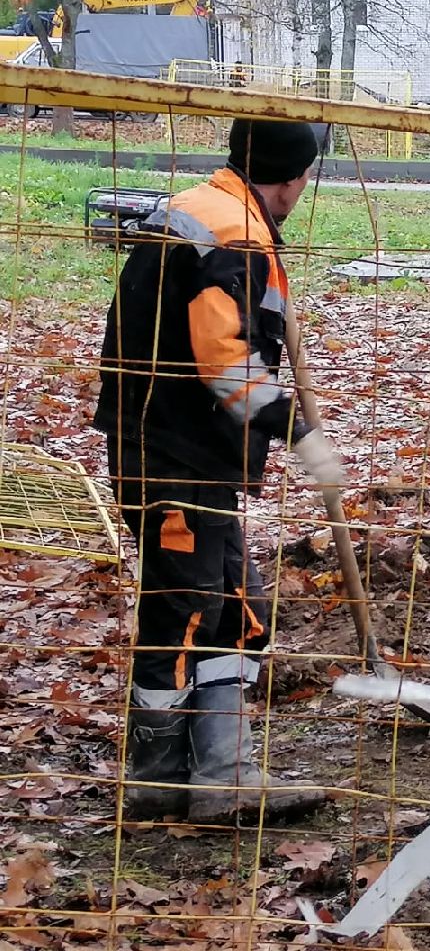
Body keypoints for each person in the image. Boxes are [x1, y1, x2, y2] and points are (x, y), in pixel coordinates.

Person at [96, 118, 342, 824]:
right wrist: (297, 432)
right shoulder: (231, 233)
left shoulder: (208, 209)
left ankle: (219, 774)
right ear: (294, 178)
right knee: (181, 610)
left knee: (233, 606)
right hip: (171, 454)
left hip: (181, 452)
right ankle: (156, 778)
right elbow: (224, 360)